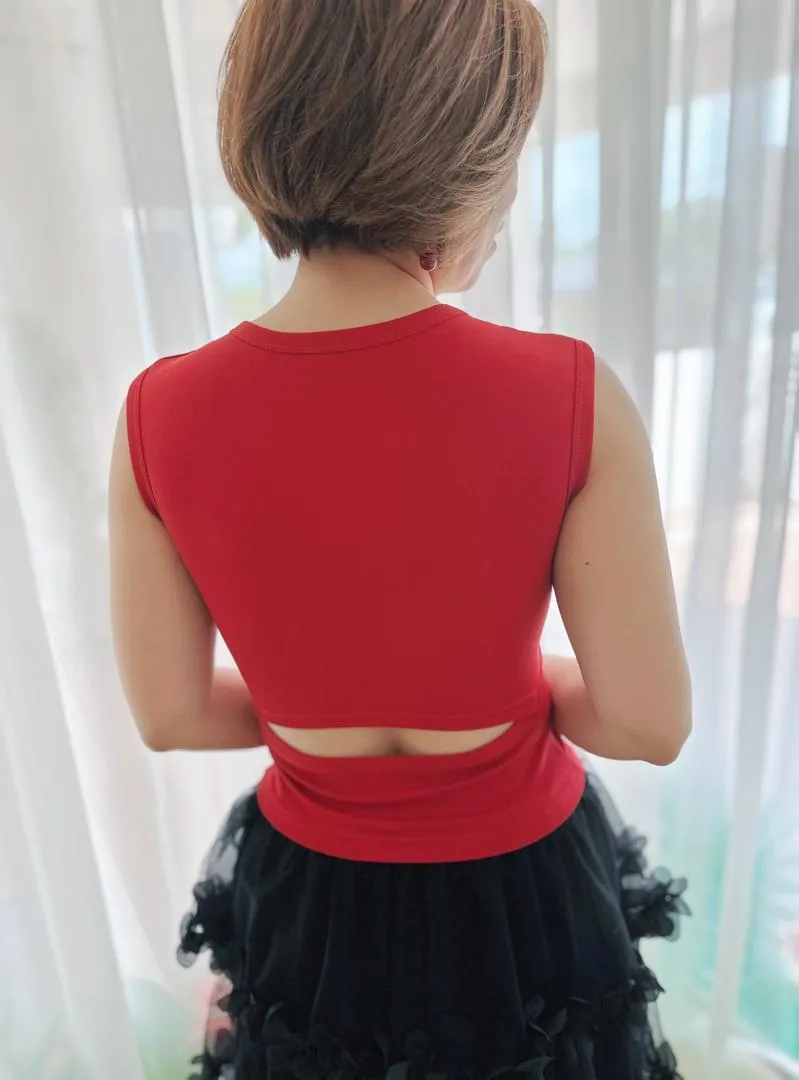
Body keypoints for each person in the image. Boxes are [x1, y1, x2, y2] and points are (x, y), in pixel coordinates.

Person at [108, 2, 692, 1077]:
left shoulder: (158, 412)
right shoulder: (567, 393)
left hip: (311, 900)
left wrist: (326, 712)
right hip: (524, 891)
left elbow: (170, 714)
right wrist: (503, 697)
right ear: (468, 159)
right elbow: (646, 722)